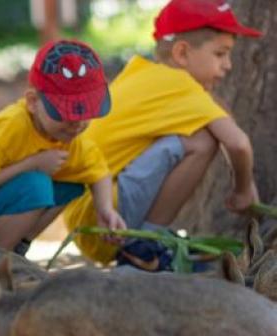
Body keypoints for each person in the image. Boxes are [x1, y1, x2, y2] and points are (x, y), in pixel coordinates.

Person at [63, 0, 260, 270]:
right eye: (220, 54)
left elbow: (217, 113)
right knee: (201, 140)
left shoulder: (144, 73)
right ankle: (147, 248)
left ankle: (148, 244)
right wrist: (243, 190)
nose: (227, 65)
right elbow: (238, 144)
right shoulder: (180, 85)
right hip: (103, 217)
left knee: (196, 134)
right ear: (181, 53)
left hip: (89, 216)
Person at [0, 40, 125, 254]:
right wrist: (31, 164)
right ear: (33, 102)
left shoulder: (69, 136)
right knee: (36, 185)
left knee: (71, 186)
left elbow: (98, 172)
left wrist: (104, 209)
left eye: (84, 111)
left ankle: (17, 247)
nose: (77, 123)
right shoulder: (11, 128)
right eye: (65, 113)